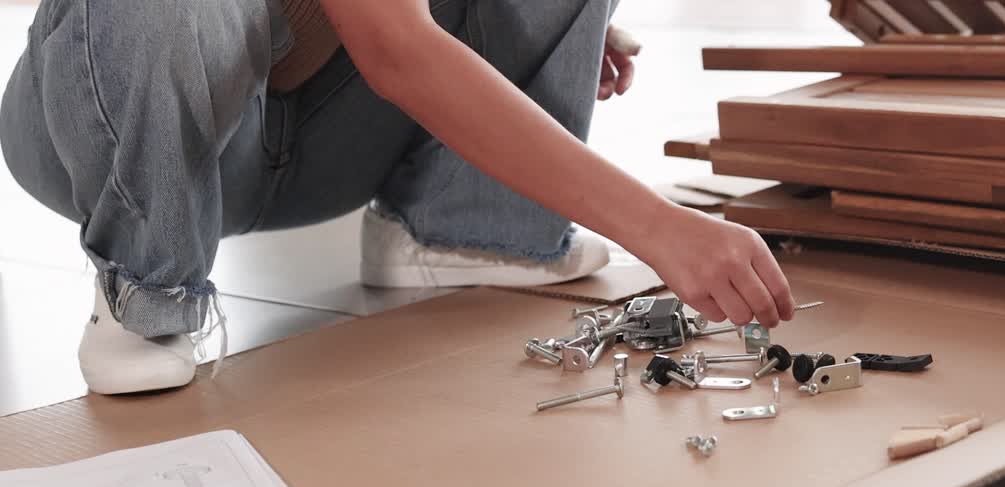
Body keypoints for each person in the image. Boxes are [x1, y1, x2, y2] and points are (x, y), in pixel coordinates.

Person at [0, 0, 796, 396]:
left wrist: (542, 27)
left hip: (298, 143)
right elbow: (397, 51)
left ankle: (461, 230)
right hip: (112, 130)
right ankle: (147, 291)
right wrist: (660, 226)